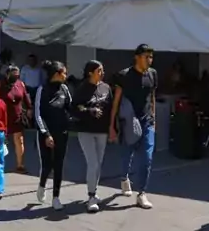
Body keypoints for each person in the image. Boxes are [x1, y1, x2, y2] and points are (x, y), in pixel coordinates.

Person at [108, 44, 158, 210]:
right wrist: (112, 126)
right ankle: (124, 177)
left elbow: (152, 97)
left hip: (147, 121)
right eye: (146, 57)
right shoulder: (124, 75)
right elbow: (116, 101)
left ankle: (142, 193)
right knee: (127, 153)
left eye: (151, 57)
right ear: (137, 57)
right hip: (128, 121)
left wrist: (154, 118)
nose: (149, 60)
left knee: (147, 157)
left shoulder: (152, 74)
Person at [73, 60, 112, 213]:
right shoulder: (82, 88)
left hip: (102, 130)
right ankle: (91, 197)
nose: (102, 73)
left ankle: (94, 192)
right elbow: (75, 108)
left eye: (102, 70)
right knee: (93, 163)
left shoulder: (106, 87)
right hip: (86, 130)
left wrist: (113, 128)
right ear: (90, 73)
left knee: (99, 163)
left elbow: (110, 108)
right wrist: (90, 111)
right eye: (99, 71)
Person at [33, 60, 72, 210]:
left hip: (62, 133)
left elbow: (70, 108)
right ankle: (42, 184)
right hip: (46, 134)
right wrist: (46, 134)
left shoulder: (64, 89)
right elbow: (38, 114)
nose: (66, 76)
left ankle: (56, 197)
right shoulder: (42, 90)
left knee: (59, 165)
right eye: (64, 73)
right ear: (57, 74)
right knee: (47, 165)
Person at [0, 65, 32, 173]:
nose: (15, 76)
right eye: (13, 74)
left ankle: (20, 165)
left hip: (17, 117)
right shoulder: (0, 85)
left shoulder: (20, 84)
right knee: (0, 142)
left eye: (17, 75)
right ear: (7, 74)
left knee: (19, 140)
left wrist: (29, 109)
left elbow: (26, 98)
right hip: (2, 117)